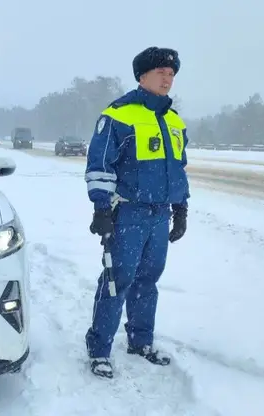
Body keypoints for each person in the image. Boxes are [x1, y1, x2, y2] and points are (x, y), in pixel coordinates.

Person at [83, 46, 190, 379]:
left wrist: (181, 207)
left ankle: (140, 341)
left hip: (159, 215)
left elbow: (179, 168)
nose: (167, 78)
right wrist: (102, 208)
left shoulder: (174, 120)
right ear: (142, 75)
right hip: (128, 213)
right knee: (118, 281)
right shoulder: (118, 114)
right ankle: (99, 349)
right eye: (161, 72)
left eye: (171, 74)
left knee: (148, 281)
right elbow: (100, 165)